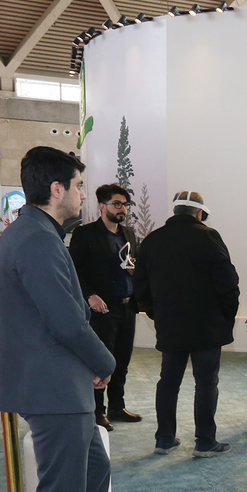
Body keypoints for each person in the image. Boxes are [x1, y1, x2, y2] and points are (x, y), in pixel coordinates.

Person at [0, 146, 131, 492]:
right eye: (78, 186)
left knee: (94, 469)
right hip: (50, 387)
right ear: (57, 189)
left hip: (57, 381)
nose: (82, 194)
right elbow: (66, 321)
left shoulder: (36, 232)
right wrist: (104, 362)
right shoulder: (36, 238)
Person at [134, 191, 239, 457]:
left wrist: (157, 313)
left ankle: (164, 439)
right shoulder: (209, 237)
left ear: (175, 211)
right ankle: (205, 442)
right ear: (200, 213)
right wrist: (226, 315)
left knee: (168, 382)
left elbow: (140, 285)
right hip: (207, 326)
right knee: (206, 383)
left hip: (170, 325)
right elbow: (227, 282)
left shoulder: (152, 240)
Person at [69, 184, 141, 431]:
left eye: (126, 205)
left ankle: (117, 407)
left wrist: (135, 271)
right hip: (102, 309)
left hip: (127, 306)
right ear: (102, 206)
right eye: (117, 204)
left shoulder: (128, 233)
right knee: (101, 360)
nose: (123, 209)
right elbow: (73, 271)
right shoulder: (85, 234)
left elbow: (132, 263)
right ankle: (97, 411)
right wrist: (89, 295)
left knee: (122, 360)